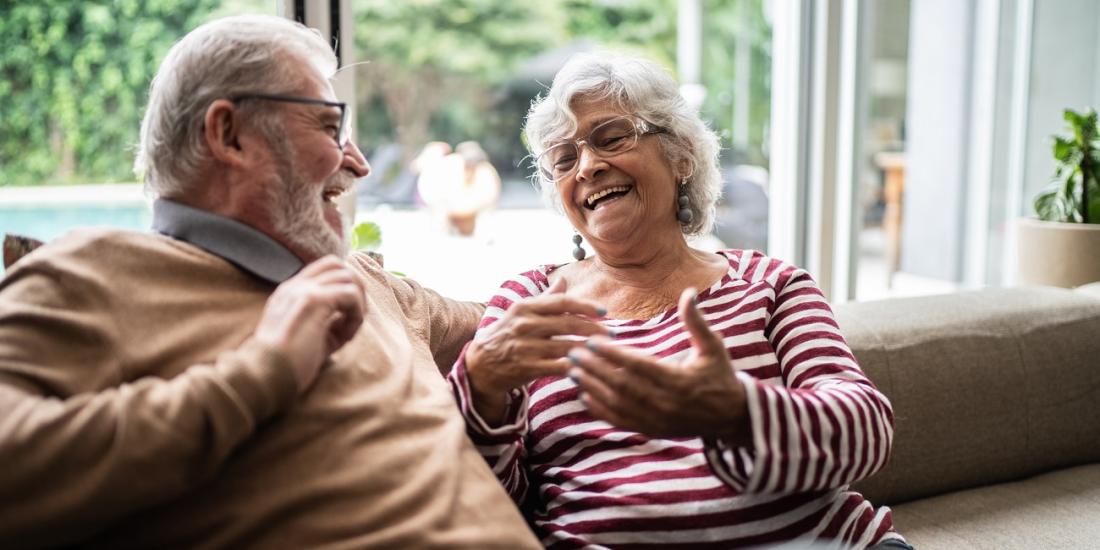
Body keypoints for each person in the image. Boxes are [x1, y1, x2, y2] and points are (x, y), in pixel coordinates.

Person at [0, 15, 540, 549]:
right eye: (331, 129)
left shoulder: (366, 282)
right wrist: (264, 371)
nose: (360, 166)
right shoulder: (92, 273)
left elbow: (523, 315)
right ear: (229, 135)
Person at [447, 53, 911, 549]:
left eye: (611, 138)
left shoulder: (770, 284)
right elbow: (492, 501)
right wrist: (480, 390)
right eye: (564, 158)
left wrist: (736, 412)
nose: (587, 167)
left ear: (681, 155)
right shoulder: (529, 303)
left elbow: (866, 431)